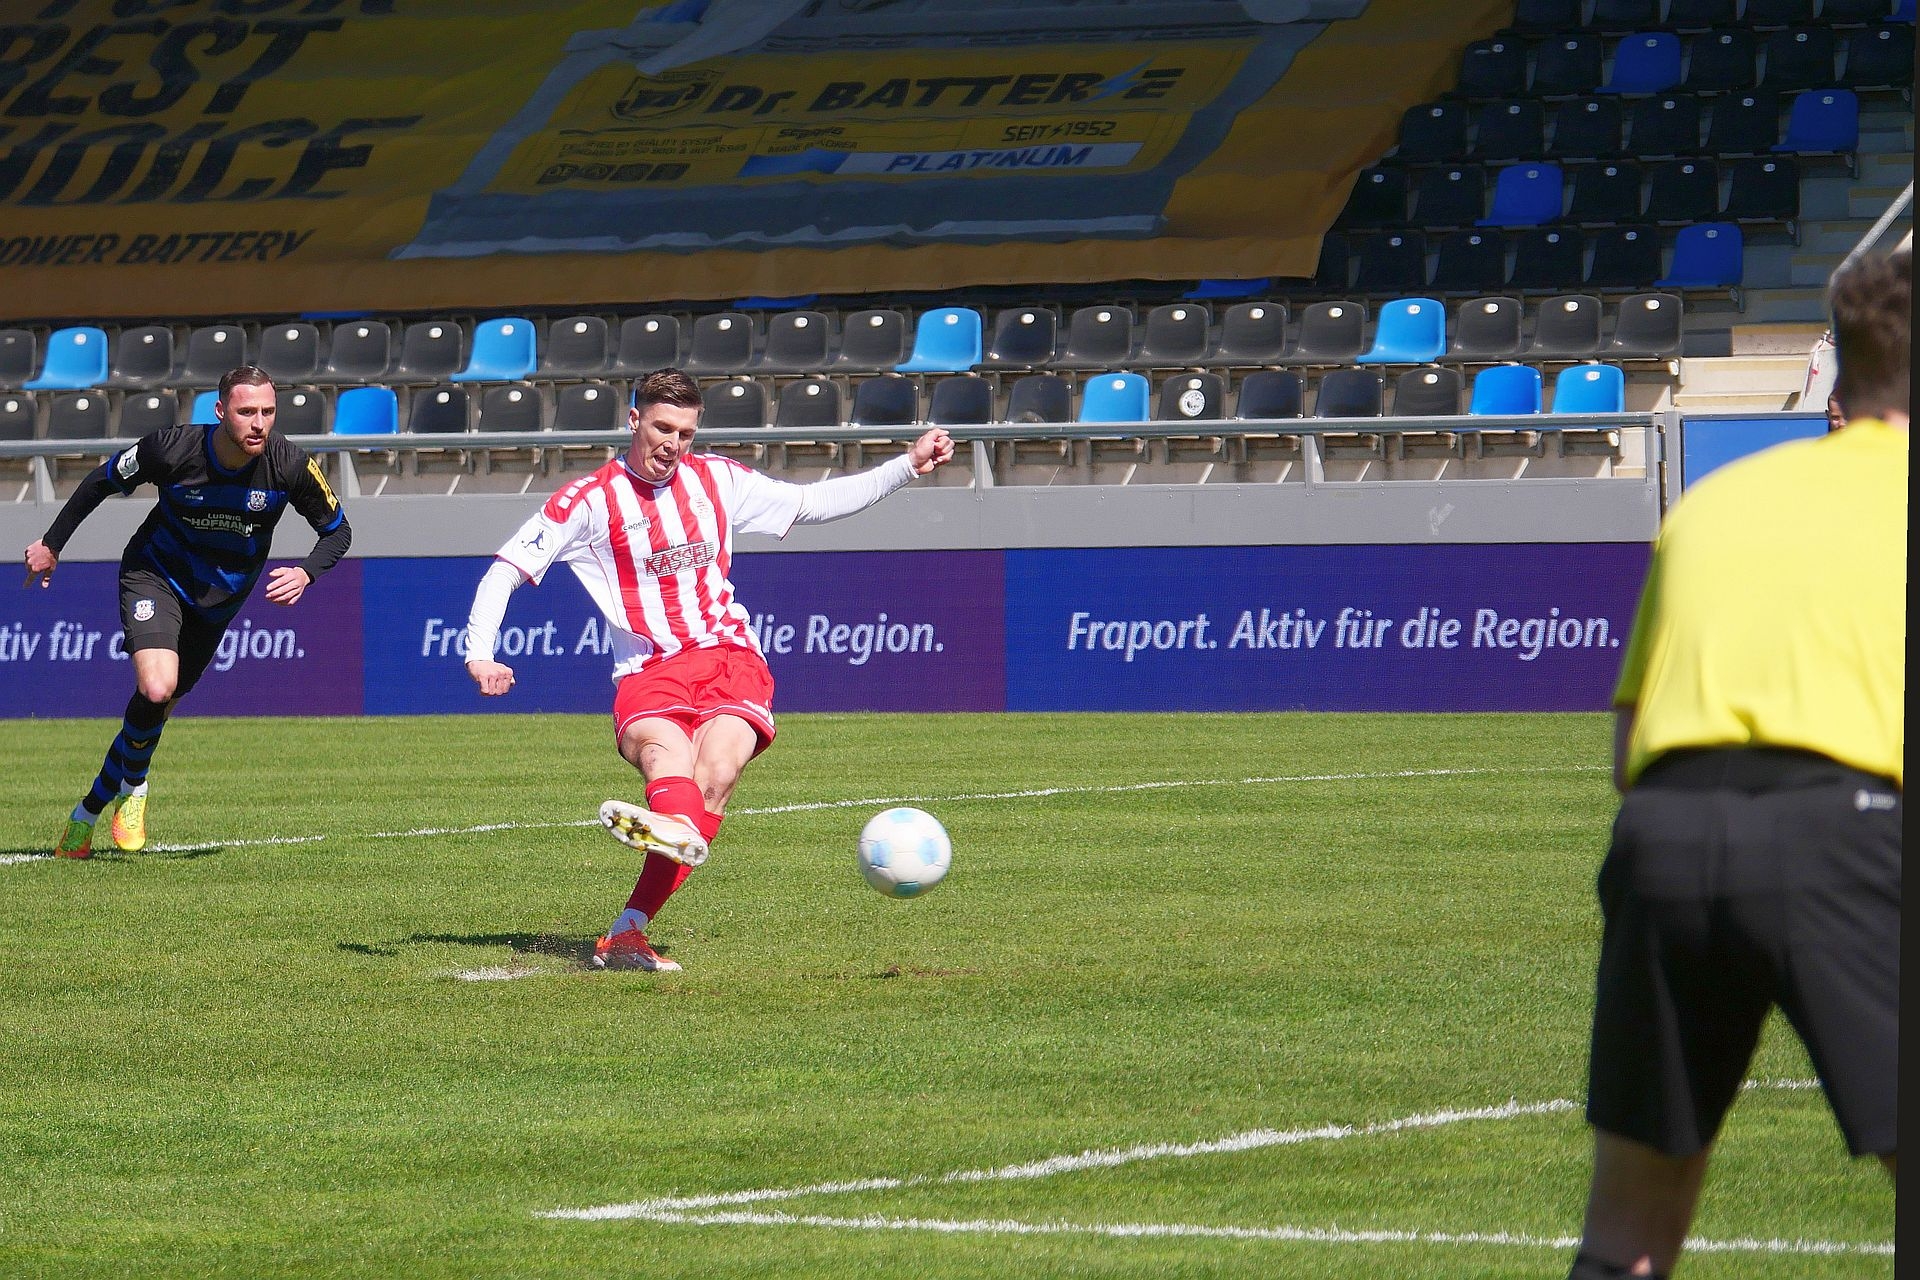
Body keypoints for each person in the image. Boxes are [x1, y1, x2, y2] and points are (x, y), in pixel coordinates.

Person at [1568, 247, 1907, 1279]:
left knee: (1627, 1231)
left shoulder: (1713, 503)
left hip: (1664, 835)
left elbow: (1629, 751)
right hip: (1843, 831)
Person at [463, 367, 954, 972]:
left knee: (717, 774)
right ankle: (671, 829)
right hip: (649, 669)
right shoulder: (588, 501)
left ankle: (631, 922)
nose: (673, 443)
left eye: (686, 433)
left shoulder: (718, 480)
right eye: (662, 428)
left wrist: (906, 465)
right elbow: (505, 571)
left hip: (729, 657)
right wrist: (480, 653)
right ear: (634, 421)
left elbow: (813, 503)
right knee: (666, 760)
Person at [24, 365, 351, 859]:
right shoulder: (170, 449)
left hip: (217, 604)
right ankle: (135, 788)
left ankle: (86, 813)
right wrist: (52, 544)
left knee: (154, 711)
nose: (259, 423)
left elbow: (339, 531)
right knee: (157, 687)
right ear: (220, 411)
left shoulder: (289, 465)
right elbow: (100, 481)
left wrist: (307, 573)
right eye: (246, 412)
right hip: (155, 575)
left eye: (267, 411)